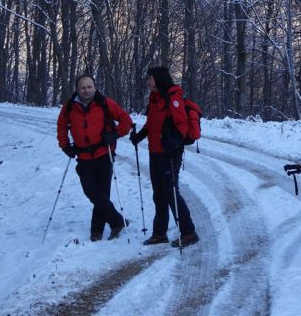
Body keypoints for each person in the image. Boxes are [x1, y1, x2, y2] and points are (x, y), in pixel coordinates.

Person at [57, 75, 132, 242]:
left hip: (103, 153)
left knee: (102, 194)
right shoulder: (70, 106)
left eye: (89, 87)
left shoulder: (105, 103)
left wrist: (114, 134)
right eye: (83, 87)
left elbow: (126, 120)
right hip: (83, 156)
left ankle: (96, 231)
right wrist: (64, 145)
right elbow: (62, 125)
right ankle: (117, 221)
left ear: (95, 88)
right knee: (91, 191)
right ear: (77, 89)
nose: (86, 90)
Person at [129, 67, 199, 248]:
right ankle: (159, 233)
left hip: (170, 153)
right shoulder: (155, 98)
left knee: (170, 192)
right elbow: (151, 122)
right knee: (158, 194)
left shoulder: (172, 98)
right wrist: (140, 136)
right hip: (155, 152)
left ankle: (189, 232)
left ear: (158, 79)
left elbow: (182, 124)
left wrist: (175, 142)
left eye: (150, 78)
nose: (148, 82)